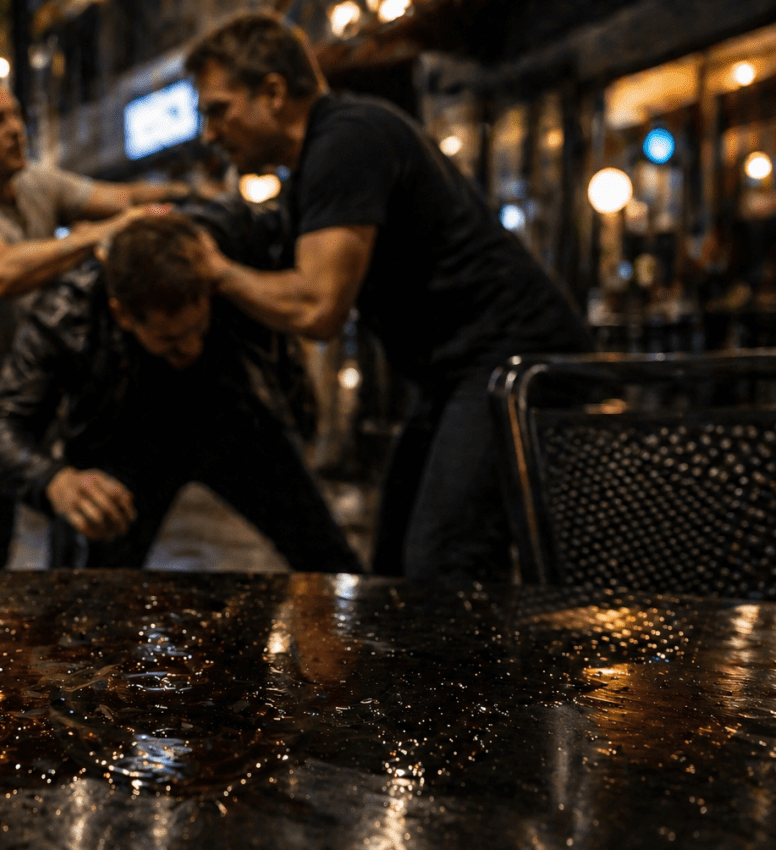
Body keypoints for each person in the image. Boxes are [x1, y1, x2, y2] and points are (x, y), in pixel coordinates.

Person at [184, 13, 592, 583]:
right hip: (457, 371)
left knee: (446, 560)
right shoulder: (317, 162)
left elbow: (317, 306)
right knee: (396, 566)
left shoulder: (346, 140)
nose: (209, 133)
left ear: (272, 93)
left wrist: (214, 271)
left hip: (514, 361)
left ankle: (484, 646)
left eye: (217, 110)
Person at [0, 65, 192, 569]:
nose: (15, 129)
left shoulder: (36, 183)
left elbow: (122, 199)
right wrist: (102, 234)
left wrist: (189, 198)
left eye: (15, 115)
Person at [0, 207, 363, 573]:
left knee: (329, 562)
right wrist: (55, 480)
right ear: (122, 314)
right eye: (169, 340)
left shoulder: (228, 248)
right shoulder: (67, 314)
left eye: (198, 329)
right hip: (122, 442)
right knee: (82, 594)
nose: (190, 348)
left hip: (234, 419)